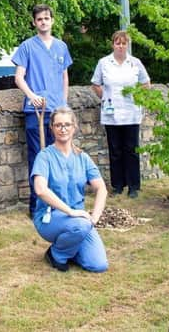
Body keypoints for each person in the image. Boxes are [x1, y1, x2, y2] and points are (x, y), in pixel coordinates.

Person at [13, 4, 73, 217]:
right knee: (38, 157)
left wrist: (64, 103)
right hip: (35, 112)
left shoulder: (61, 47)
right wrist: (32, 96)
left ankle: (60, 202)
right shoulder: (27, 47)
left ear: (52, 21)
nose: (43, 22)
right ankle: (36, 205)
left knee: (59, 156)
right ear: (34, 23)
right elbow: (19, 77)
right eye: (39, 19)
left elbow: (64, 77)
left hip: (57, 111)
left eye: (47, 18)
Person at [32, 106, 108, 272]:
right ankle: (56, 254)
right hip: (50, 217)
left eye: (67, 124)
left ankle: (70, 246)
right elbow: (40, 189)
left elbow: (101, 188)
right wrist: (71, 212)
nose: (63, 129)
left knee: (98, 265)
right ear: (51, 128)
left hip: (80, 222)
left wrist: (94, 218)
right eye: (58, 125)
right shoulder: (45, 156)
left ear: (74, 127)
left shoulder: (82, 157)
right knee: (80, 226)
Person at [91, 30, 150, 198]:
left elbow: (146, 83)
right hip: (111, 114)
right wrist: (105, 97)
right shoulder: (104, 63)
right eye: (118, 43)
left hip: (131, 113)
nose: (121, 46)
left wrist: (138, 97)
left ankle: (133, 186)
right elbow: (95, 84)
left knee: (131, 150)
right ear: (113, 44)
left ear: (128, 45)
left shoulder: (135, 63)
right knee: (115, 150)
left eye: (124, 43)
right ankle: (117, 185)